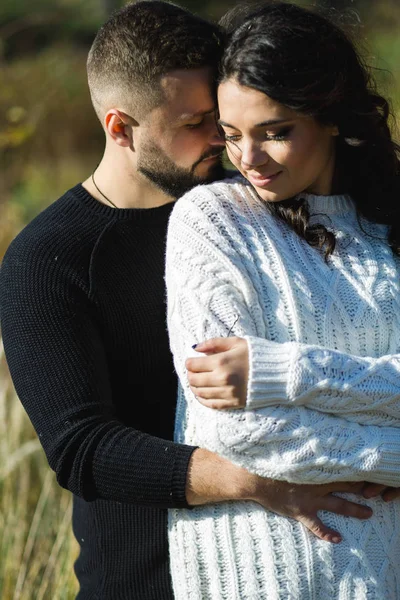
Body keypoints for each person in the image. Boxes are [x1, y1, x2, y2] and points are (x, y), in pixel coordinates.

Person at [0, 2, 374, 599]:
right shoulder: (49, 259)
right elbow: (82, 449)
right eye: (198, 124)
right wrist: (258, 482)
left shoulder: (254, 211)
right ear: (120, 128)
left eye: (222, 121)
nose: (225, 146)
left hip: (302, 570)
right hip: (143, 577)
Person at [166, 2, 400, 599]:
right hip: (260, 571)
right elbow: (238, 433)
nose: (249, 159)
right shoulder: (212, 223)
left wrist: (278, 371)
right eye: (232, 134)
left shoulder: (391, 227)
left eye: (276, 132)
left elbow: (265, 401)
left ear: (330, 116)